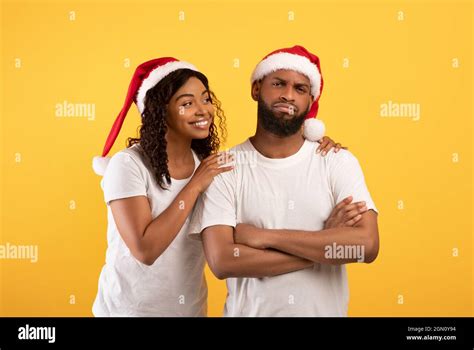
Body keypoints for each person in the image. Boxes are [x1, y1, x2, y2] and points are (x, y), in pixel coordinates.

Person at [91, 56, 349, 316]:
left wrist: (314, 144)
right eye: (187, 104)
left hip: (189, 311)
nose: (203, 110)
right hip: (128, 311)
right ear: (160, 112)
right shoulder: (129, 165)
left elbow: (234, 237)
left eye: (205, 99)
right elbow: (145, 250)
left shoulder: (208, 165)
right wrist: (318, 253)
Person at [189, 45, 379, 317]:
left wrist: (262, 237)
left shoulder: (336, 161)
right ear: (256, 89)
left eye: (300, 89)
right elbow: (223, 261)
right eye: (278, 83)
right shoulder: (224, 168)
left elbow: (367, 246)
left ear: (310, 99)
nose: (288, 95)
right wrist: (324, 244)